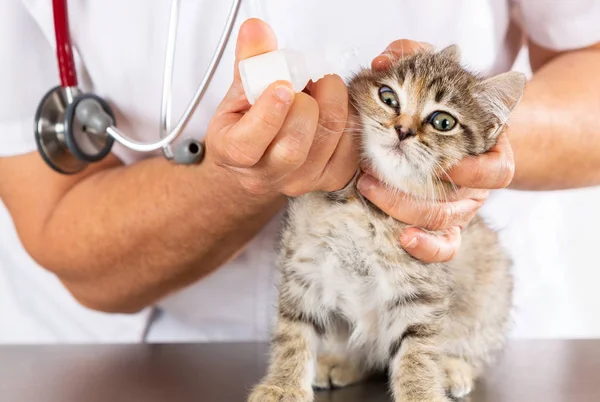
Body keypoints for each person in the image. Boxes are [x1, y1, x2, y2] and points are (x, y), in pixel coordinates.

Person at [1, 0, 599, 343]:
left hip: (452, 327)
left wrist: (457, 140)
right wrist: (234, 181)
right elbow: (63, 226)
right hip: (152, 356)